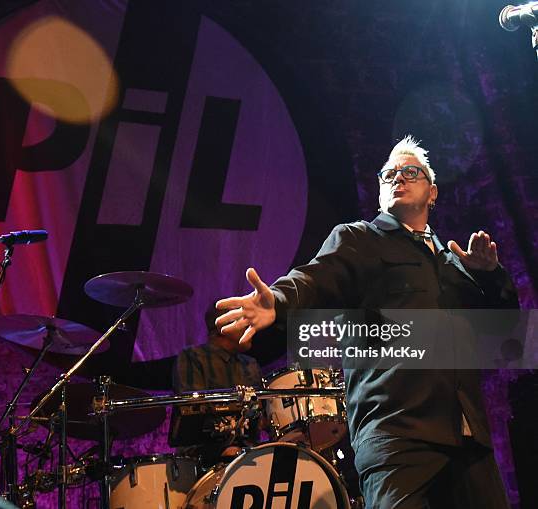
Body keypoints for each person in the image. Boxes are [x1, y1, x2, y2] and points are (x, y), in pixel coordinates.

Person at [215, 136, 519, 509]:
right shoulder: (359, 239)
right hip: (398, 437)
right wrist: (276, 301)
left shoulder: (454, 263)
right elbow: (312, 279)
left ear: (433, 192)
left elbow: (505, 332)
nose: (398, 177)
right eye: (389, 173)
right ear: (379, 191)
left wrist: (491, 275)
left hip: (469, 441)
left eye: (411, 171)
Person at [171, 302, 263, 465]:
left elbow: (261, 418)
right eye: (244, 321)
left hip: (247, 451)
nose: (251, 327)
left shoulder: (251, 364)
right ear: (224, 326)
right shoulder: (193, 357)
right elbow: (193, 418)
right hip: (202, 456)